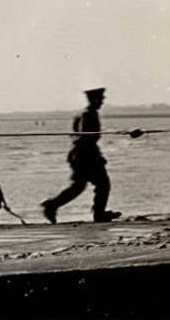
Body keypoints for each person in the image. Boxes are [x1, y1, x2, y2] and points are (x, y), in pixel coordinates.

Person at [41, 88, 120, 224]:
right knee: (102, 184)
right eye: (100, 99)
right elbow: (85, 136)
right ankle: (98, 214)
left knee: (79, 186)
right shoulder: (89, 114)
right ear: (94, 100)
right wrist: (95, 156)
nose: (102, 102)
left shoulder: (83, 114)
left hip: (82, 153)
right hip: (86, 155)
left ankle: (53, 205)